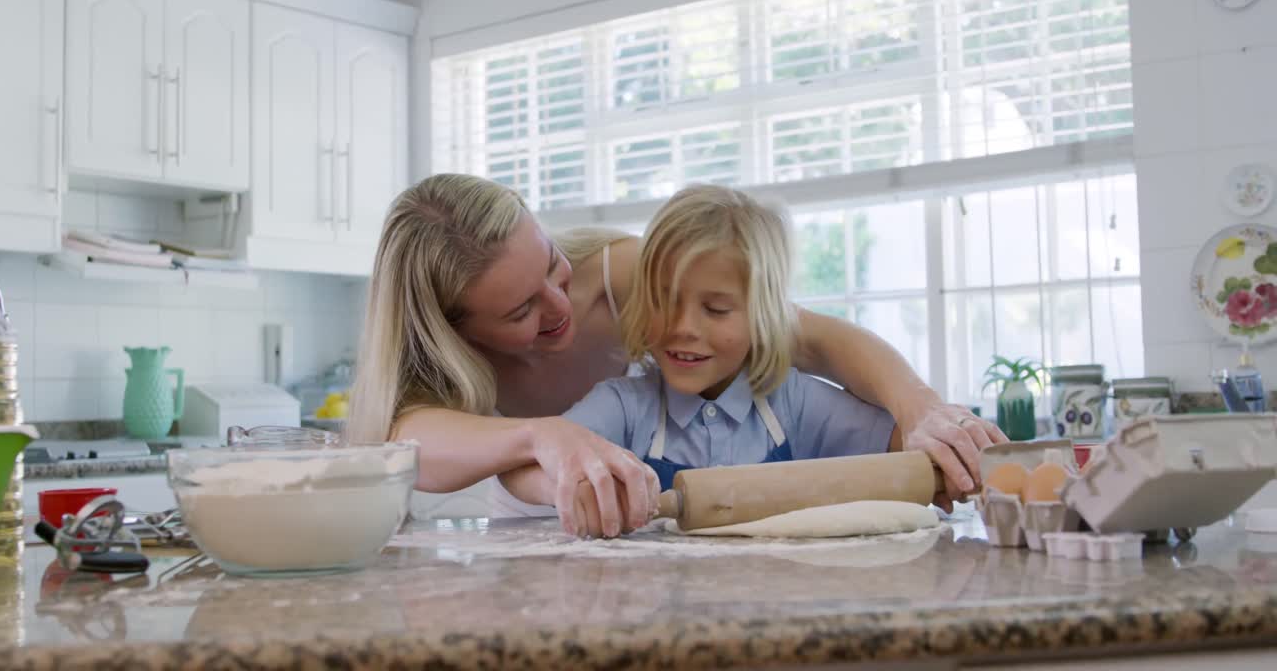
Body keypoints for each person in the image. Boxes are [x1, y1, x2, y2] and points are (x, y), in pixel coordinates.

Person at [347, 174, 1006, 539]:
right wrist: (549, 448)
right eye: (522, 310)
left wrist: (924, 414)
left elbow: (805, 335)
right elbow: (408, 447)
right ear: (455, 331)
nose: (560, 304)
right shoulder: (607, 407)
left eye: (553, 264)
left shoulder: (639, 274)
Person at [499, 186, 903, 531]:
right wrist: (568, 487)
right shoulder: (625, 409)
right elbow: (520, 465)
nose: (684, 327)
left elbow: (899, 446)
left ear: (760, 316)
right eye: (664, 301)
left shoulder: (794, 405)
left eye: (716, 309)